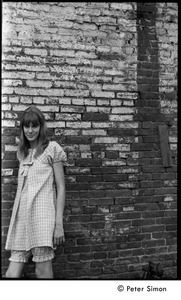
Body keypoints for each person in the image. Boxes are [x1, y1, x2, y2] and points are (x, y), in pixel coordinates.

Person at [5, 106, 67, 278]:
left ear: (41, 127)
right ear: (22, 128)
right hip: (22, 217)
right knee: (12, 274)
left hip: (43, 217)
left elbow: (61, 187)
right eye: (26, 126)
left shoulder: (52, 149)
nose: (30, 130)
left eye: (34, 126)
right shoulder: (22, 153)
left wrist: (58, 224)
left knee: (43, 272)